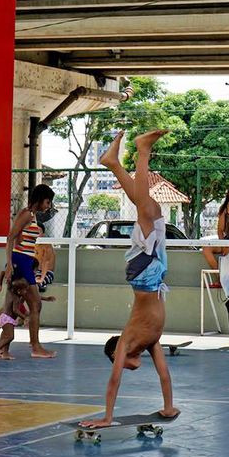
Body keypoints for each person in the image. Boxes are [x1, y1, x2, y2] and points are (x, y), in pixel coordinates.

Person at [80, 129, 180, 429]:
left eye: (121, 363)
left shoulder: (126, 341)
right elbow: (164, 374)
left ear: (116, 356)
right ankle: (113, 163)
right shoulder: (151, 342)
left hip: (144, 274)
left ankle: (142, 149)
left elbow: (113, 382)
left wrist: (107, 417)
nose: (128, 367)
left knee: (144, 210)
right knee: (151, 208)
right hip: (154, 272)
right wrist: (168, 407)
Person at [0, 184, 56, 358]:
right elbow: (10, 237)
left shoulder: (32, 216)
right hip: (20, 261)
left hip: (25, 261)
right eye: (47, 201)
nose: (48, 206)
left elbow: (19, 237)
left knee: (9, 305)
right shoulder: (27, 214)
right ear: (40, 199)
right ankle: (35, 347)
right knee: (35, 304)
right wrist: (8, 264)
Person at [0, 278, 56, 360]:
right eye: (24, 290)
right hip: (6, 318)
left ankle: (5, 353)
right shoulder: (15, 297)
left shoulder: (20, 295)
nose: (26, 292)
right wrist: (24, 318)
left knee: (7, 335)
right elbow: (15, 310)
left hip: (9, 319)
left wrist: (46, 298)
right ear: (18, 290)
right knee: (10, 336)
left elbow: (34, 297)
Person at [34, 223, 56, 293]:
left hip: (47, 273)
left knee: (37, 282)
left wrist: (40, 278)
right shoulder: (32, 245)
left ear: (43, 234)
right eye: (34, 231)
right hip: (35, 272)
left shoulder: (47, 246)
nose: (36, 234)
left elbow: (46, 263)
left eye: (38, 231)